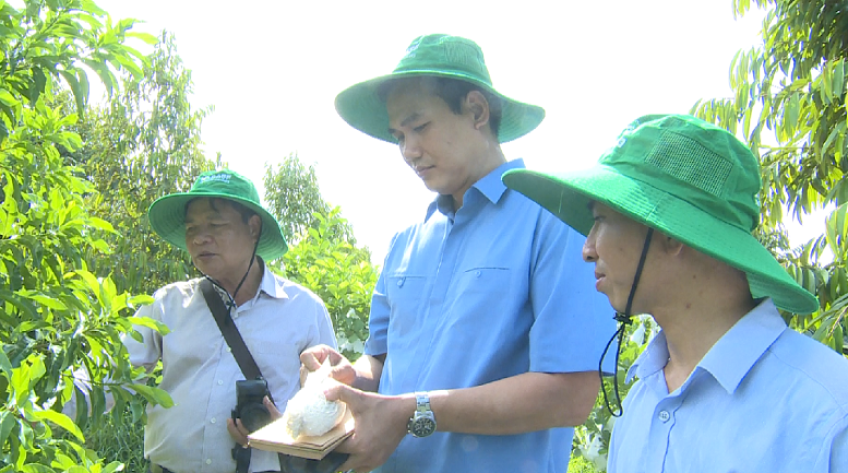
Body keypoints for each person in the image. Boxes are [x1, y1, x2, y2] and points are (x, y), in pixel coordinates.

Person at [300, 34, 616, 473]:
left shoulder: (553, 223)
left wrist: (414, 411)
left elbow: (570, 394)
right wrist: (346, 378)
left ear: (476, 111)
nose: (409, 151)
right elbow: (381, 358)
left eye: (420, 126)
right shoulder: (406, 242)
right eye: (399, 135)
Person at [502, 113, 848, 472]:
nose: (587, 249)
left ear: (671, 234)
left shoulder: (829, 414)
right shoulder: (640, 406)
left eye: (601, 219)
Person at [129, 169, 337, 473]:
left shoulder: (305, 311)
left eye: (215, 224)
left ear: (252, 228)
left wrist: (288, 430)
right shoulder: (167, 306)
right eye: (192, 228)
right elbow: (110, 376)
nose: (200, 238)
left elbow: (331, 405)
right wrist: (41, 411)